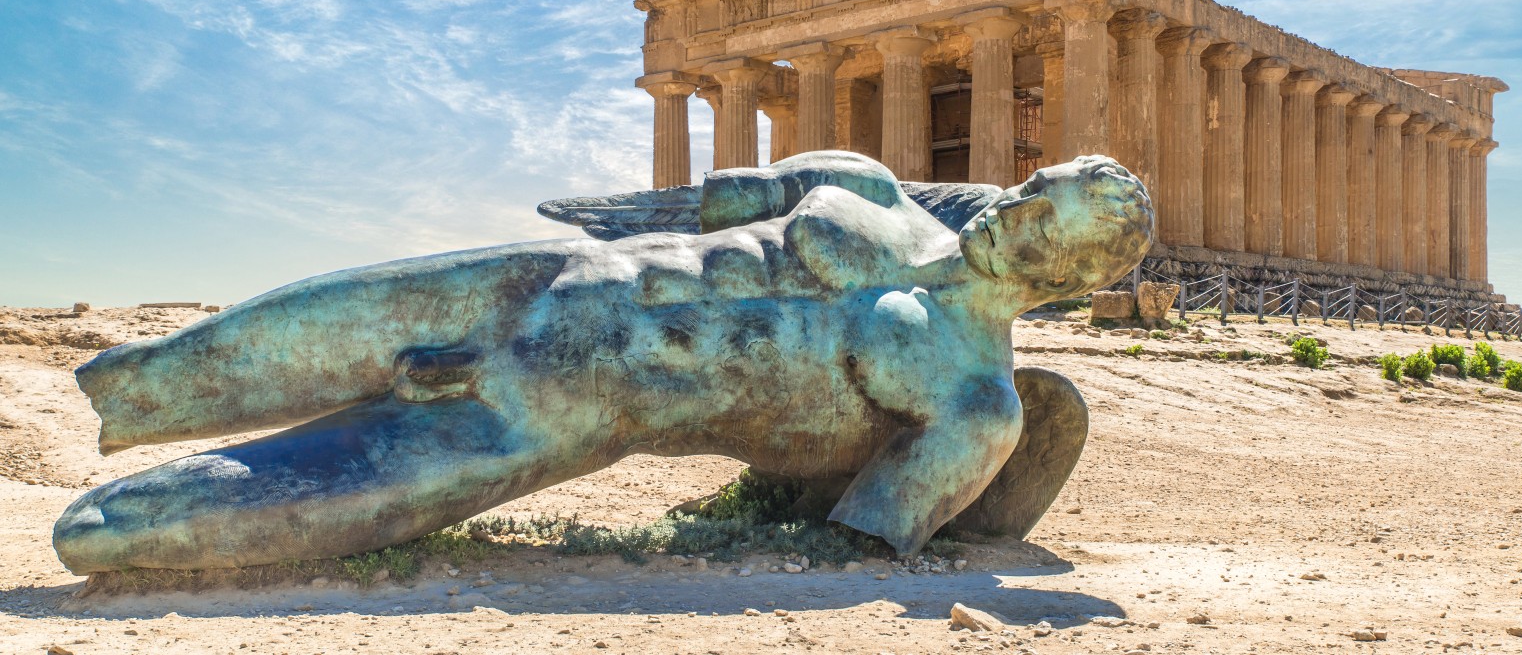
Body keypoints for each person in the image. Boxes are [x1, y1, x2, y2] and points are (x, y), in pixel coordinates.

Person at [54, 151, 1152, 573]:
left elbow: (850, 532)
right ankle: (133, 395)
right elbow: (696, 202)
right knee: (176, 365)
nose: (1009, 212)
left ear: (1070, 276)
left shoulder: (975, 400)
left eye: (1039, 226)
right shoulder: (871, 188)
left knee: (127, 527)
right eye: (1029, 189)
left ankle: (121, 531)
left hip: (584, 405)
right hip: (548, 277)